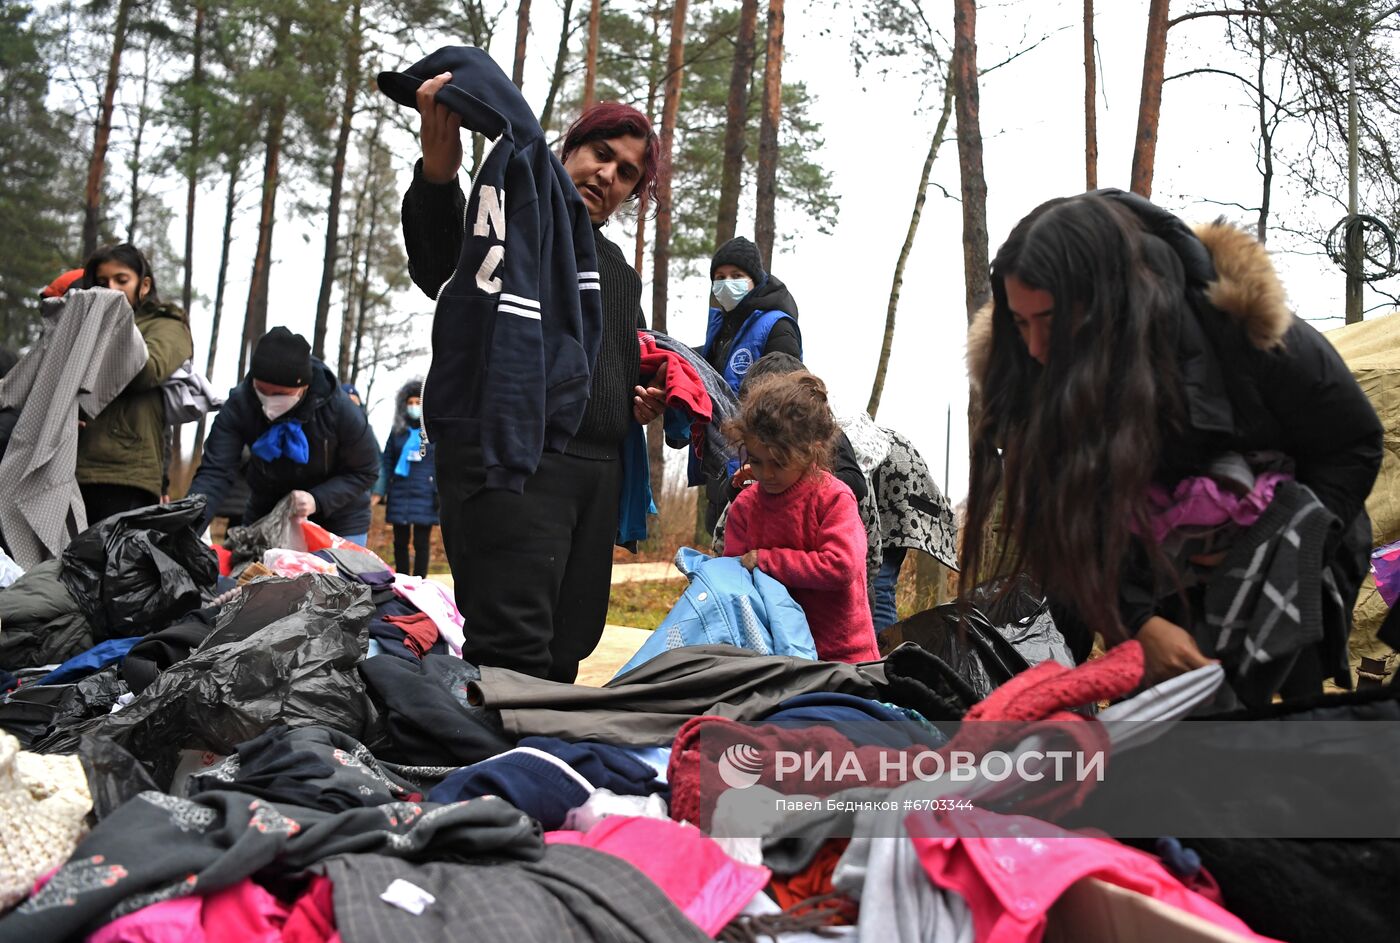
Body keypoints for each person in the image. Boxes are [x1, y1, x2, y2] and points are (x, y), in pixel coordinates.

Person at [963, 189, 1383, 698]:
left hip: (1291, 563)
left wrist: (1269, 546)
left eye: (1050, 320)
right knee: (1173, 735)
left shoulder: (1245, 329)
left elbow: (1353, 443)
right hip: (1147, 582)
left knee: (1265, 728)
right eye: (1021, 322)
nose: (1036, 347)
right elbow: (1068, 527)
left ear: (1110, 300)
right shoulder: (1031, 374)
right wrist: (1139, 622)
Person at [385, 48, 666, 681]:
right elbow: (440, 269)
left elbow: (620, 360)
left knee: (571, 640)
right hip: (519, 462)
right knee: (513, 646)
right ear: (572, 148)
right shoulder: (514, 222)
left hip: (595, 475)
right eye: (601, 154)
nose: (607, 176)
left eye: (626, 172)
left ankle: (539, 769)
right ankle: (489, 772)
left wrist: (640, 398)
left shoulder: (619, 271)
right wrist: (438, 172)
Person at [721, 370, 879, 664]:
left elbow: (841, 565)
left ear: (811, 452)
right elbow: (734, 580)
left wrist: (767, 560)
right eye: (756, 461)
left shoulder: (834, 498)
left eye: (779, 463)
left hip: (844, 658)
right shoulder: (745, 507)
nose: (766, 474)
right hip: (774, 656)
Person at [188, 327, 380, 546]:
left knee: (335, 578)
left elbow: (366, 471)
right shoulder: (240, 405)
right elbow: (215, 472)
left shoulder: (340, 410)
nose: (269, 400)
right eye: (262, 390)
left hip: (340, 518)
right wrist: (188, 526)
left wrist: (317, 499)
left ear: (303, 387)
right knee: (255, 576)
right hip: (267, 511)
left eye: (280, 394)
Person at [76, 244, 193, 524]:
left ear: (144, 284)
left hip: (126, 472)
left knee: (114, 565)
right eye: (102, 283)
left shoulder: (167, 325)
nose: (111, 289)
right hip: (74, 465)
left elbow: (147, 371)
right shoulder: (85, 325)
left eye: (121, 280)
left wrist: (114, 324)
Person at [373, 379, 437, 577]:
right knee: (399, 541)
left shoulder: (433, 431)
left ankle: (420, 582)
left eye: (417, 403)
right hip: (400, 491)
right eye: (410, 403)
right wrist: (380, 490)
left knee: (421, 542)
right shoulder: (397, 433)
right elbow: (387, 461)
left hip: (426, 494)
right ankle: (401, 580)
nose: (413, 407)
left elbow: (440, 464)